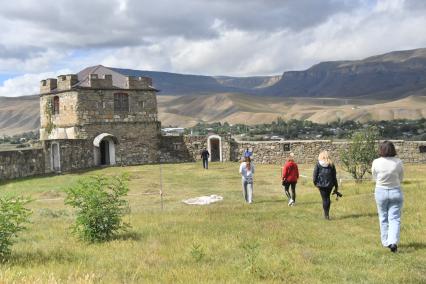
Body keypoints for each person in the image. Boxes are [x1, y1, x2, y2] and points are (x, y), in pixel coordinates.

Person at [372, 141, 404, 253]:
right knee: (394, 218)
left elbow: (374, 177)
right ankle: (393, 242)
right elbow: (401, 177)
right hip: (396, 191)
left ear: (381, 150)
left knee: (383, 217)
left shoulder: (376, 162)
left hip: (381, 191)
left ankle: (385, 241)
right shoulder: (398, 162)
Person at [313, 150, 339, 220]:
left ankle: (326, 215)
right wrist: (336, 186)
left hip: (321, 184)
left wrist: (315, 183)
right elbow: (334, 176)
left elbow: (315, 175)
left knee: (324, 199)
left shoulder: (318, 164)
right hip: (330, 184)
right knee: (328, 199)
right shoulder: (331, 164)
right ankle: (327, 215)